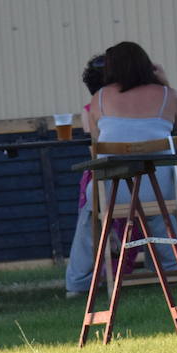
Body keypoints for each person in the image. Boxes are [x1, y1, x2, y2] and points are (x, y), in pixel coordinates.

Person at [87, 41, 177, 274]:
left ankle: (80, 280)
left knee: (87, 207)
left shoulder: (99, 99)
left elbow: (96, 145)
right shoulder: (168, 96)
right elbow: (176, 128)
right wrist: (165, 83)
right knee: (157, 210)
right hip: (162, 190)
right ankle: (173, 268)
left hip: (113, 192)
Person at [63, 53, 108, 296]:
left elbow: (95, 151)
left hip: (104, 178)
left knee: (90, 217)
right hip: (144, 180)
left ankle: (80, 281)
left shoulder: (90, 109)